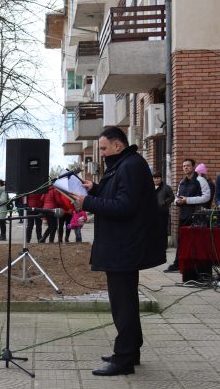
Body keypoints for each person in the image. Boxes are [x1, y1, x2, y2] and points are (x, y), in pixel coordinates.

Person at [70, 126, 165, 376]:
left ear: (117, 146)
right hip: (121, 246)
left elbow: (124, 206)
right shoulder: (124, 164)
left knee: (123, 305)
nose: (101, 153)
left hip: (124, 247)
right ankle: (130, 351)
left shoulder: (130, 165)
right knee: (125, 303)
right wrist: (96, 188)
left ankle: (123, 358)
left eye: (103, 148)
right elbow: (117, 194)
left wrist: (87, 202)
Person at [164, 159, 210, 272]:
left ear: (193, 167)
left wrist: (187, 200)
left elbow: (206, 197)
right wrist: (177, 201)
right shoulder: (182, 182)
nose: (185, 168)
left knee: (195, 242)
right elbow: (177, 196)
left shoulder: (200, 180)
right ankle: (178, 264)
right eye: (184, 166)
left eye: (188, 166)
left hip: (197, 216)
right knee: (181, 241)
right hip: (184, 215)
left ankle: (195, 266)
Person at [153, 172, 174, 251]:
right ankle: (155, 245)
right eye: (155, 178)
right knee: (154, 229)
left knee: (162, 229)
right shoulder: (150, 187)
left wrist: (164, 202)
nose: (156, 179)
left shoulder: (166, 187)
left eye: (158, 178)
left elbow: (172, 197)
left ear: (161, 179)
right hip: (153, 212)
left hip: (163, 211)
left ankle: (163, 246)